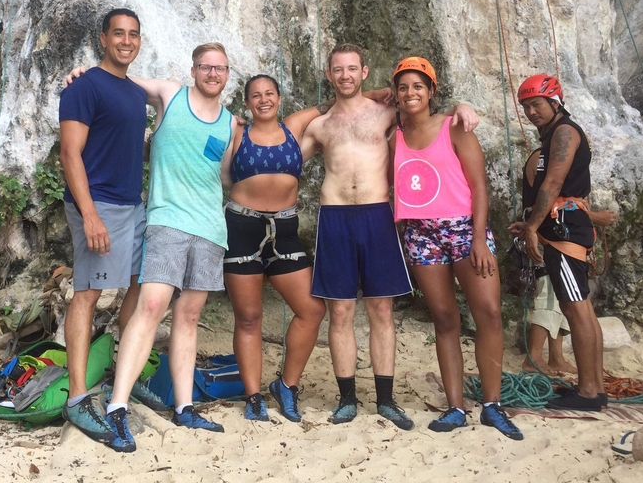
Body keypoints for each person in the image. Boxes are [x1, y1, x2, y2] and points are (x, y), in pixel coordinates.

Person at [299, 44, 477, 429]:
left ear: (364, 72)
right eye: (337, 70)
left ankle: (385, 399)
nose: (345, 75)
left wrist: (460, 105)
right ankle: (347, 398)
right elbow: (287, 157)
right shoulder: (320, 125)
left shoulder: (387, 114)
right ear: (329, 75)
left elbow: (424, 109)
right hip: (334, 218)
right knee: (341, 311)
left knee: (381, 310)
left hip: (378, 216)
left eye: (351, 69)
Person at [84, 43, 243, 453]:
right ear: (194, 70)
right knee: (152, 307)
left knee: (188, 315)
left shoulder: (230, 124)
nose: (212, 73)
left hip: (209, 227)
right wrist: (82, 75)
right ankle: (118, 405)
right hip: (167, 220)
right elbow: (118, 80)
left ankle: (185, 406)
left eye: (220, 68)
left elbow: (223, 177)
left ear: (228, 74)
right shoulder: (170, 94)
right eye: (206, 67)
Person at [222, 75, 391, 422]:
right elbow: (221, 173)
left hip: (284, 230)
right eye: (256, 95)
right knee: (249, 317)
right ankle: (254, 395)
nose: (264, 100)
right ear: (247, 102)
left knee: (312, 310)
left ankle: (286, 385)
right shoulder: (235, 130)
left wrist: (372, 94)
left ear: (280, 97)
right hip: (242, 227)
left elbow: (332, 104)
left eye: (270, 93)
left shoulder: (294, 125)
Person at [390, 56, 522, 440]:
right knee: (445, 319)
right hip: (420, 233)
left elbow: (480, 186)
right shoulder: (393, 135)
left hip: (465, 229)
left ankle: (493, 406)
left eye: (418, 86)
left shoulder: (455, 128)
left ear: (432, 90)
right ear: (395, 94)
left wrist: (480, 238)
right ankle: (454, 407)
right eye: (403, 87)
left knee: (489, 313)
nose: (410, 93)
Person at [58, 8, 165, 443]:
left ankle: (126, 370)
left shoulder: (132, 92)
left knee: (141, 285)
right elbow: (70, 154)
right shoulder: (83, 87)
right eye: (118, 34)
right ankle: (78, 396)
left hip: (132, 205)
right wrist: (89, 215)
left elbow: (128, 146)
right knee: (87, 293)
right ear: (103, 38)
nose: (126, 41)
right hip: (97, 204)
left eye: (133, 35)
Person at [508, 74, 606, 411]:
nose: (531, 111)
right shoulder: (556, 134)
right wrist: (532, 224)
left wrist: (533, 227)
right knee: (583, 311)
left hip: (563, 230)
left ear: (555, 102)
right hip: (565, 226)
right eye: (526, 106)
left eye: (536, 104)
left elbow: (553, 182)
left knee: (576, 311)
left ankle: (590, 393)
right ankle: (593, 387)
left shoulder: (564, 132)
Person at [518, 147, 618, 377]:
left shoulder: (557, 161)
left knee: (563, 298)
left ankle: (556, 357)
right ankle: (533, 357)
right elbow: (552, 203)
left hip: (561, 235)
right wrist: (594, 216)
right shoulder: (544, 159)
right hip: (549, 236)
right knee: (549, 295)